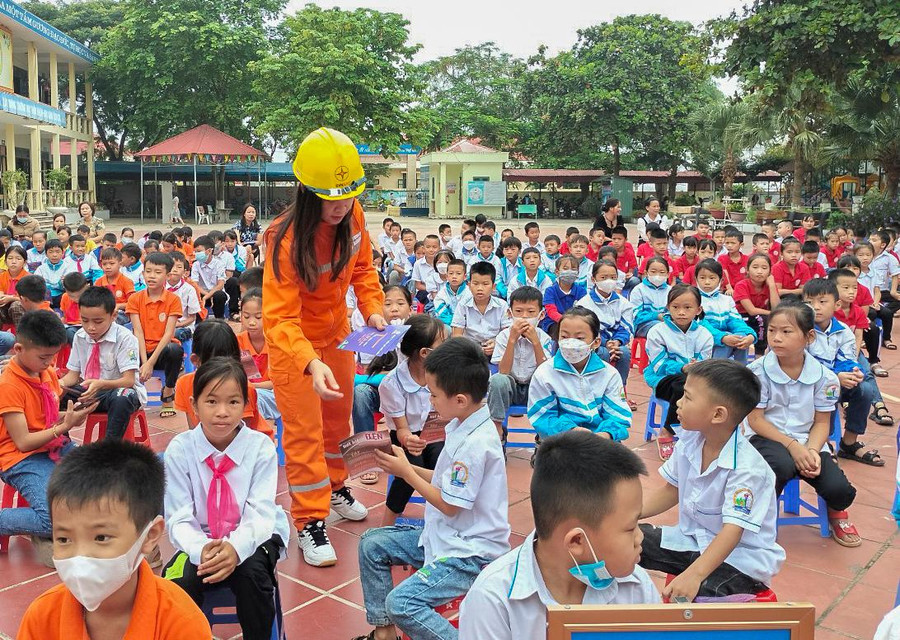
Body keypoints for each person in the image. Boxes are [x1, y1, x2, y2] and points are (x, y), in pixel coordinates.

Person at [263, 128, 383, 567]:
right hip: (296, 347)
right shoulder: (285, 239)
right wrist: (309, 362)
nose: (340, 207)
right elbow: (278, 318)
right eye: (331, 199)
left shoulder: (354, 217)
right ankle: (309, 519)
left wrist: (372, 311)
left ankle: (336, 488)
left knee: (337, 423)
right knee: (304, 433)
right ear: (307, 192)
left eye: (348, 196)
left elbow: (364, 271)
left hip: (339, 337)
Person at [353, 338, 510, 640]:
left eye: (434, 394)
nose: (430, 400)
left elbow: (450, 504)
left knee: (402, 604)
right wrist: (405, 467)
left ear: (460, 399)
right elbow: (443, 479)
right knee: (372, 543)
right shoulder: (463, 424)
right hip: (443, 536)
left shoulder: (475, 444)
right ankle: (385, 634)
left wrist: (406, 474)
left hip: (469, 554)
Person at [460, 431, 658, 639]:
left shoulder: (636, 587)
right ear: (576, 541)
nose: (640, 537)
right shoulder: (494, 600)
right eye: (630, 528)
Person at [17, 440, 212, 640]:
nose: (80, 556)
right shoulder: (42, 618)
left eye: (101, 537)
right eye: (64, 539)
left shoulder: (181, 622)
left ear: (150, 535)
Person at [162, 357, 289, 640]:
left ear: (245, 405)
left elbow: (260, 515)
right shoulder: (180, 450)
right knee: (176, 582)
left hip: (255, 536)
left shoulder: (260, 448)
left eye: (233, 402)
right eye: (211, 402)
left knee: (253, 578)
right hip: (199, 539)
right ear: (194, 405)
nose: (222, 412)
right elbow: (179, 516)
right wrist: (201, 550)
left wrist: (235, 549)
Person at [639, 359, 785, 601]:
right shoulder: (689, 440)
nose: (678, 402)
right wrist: (628, 516)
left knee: (701, 594)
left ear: (717, 414)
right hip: (693, 542)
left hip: (739, 560)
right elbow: (671, 490)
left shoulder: (748, 469)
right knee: (624, 540)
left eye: (687, 397)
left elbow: (732, 532)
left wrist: (694, 575)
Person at [747, 301, 861, 547]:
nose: (776, 338)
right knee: (780, 466)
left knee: (839, 490)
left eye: (786, 332)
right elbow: (755, 420)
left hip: (808, 440)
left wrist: (810, 450)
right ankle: (756, 521)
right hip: (766, 437)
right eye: (772, 331)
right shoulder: (757, 372)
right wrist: (792, 447)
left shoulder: (826, 377)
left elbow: (822, 422)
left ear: (809, 337)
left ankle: (836, 513)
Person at [0, 311, 94, 563]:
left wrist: (71, 416)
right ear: (18, 348)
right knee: (54, 522)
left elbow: (48, 415)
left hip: (53, 445)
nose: (50, 362)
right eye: (44, 357)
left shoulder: (45, 371)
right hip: (20, 458)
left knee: (104, 486)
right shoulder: (10, 385)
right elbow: (22, 442)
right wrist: (64, 427)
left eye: (53, 355)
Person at [802, 278, 882, 468]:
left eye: (822, 302)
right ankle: (823, 443)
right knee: (828, 390)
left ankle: (849, 442)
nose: (815, 307)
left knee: (864, 389)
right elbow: (801, 362)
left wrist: (853, 372)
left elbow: (847, 358)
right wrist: (834, 376)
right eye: (809, 302)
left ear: (836, 304)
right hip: (807, 385)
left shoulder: (843, 330)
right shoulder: (801, 329)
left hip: (836, 380)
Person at [377, 315, 447, 525]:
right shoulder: (392, 384)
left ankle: (443, 518)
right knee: (407, 467)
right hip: (406, 436)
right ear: (425, 353)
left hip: (436, 432)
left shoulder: (443, 373)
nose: (447, 348)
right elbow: (401, 429)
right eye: (442, 344)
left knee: (443, 462)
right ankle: (388, 521)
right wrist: (409, 440)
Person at [527, 307, 631, 444]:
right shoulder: (545, 373)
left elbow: (618, 416)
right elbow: (542, 416)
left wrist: (604, 435)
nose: (571, 343)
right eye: (564, 336)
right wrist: (571, 431)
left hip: (600, 441)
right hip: (560, 440)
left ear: (596, 342)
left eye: (580, 338)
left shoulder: (609, 374)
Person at [59, 286, 145, 440]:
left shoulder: (125, 338)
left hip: (117, 391)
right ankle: (63, 444)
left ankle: (108, 450)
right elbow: (72, 376)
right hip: (89, 391)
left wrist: (100, 384)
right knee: (56, 395)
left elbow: (129, 380)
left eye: (98, 321)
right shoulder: (80, 336)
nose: (90, 327)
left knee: (123, 397)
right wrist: (56, 385)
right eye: (85, 320)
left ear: (113, 315)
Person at [644, 284, 714, 460]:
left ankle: (699, 432)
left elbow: (705, 363)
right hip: (662, 380)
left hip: (695, 380)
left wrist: (696, 367)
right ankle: (667, 430)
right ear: (668, 307)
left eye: (687, 307)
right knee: (682, 385)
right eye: (675, 307)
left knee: (714, 388)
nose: (681, 312)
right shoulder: (657, 332)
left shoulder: (704, 335)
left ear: (698, 310)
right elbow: (658, 364)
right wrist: (682, 368)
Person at [487, 287, 553, 441]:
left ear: (541, 314)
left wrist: (535, 342)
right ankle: (497, 429)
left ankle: (544, 436)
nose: (524, 317)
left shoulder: (544, 338)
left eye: (531, 312)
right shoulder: (503, 336)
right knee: (497, 380)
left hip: (534, 389)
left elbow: (546, 371)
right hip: (511, 388)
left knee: (552, 383)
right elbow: (503, 371)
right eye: (518, 311)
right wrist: (512, 340)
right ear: (510, 313)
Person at [126, 252, 184, 419]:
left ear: (167, 275)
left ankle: (167, 392)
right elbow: (138, 332)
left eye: (158, 272)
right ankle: (129, 397)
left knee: (175, 350)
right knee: (122, 353)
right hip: (140, 349)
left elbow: (168, 334)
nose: (152, 276)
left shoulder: (173, 300)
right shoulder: (135, 299)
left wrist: (150, 363)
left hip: (161, 351)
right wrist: (144, 362)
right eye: (148, 271)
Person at [575, 260, 635, 388]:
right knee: (603, 353)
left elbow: (626, 327)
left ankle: (620, 389)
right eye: (603, 277)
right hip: (593, 343)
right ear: (593, 278)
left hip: (616, 341)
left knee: (624, 352)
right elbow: (586, 329)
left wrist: (617, 342)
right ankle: (598, 388)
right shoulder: (584, 303)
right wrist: (605, 343)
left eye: (613, 277)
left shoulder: (623, 303)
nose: (609, 281)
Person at [695, 259, 756, 362]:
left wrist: (749, 335)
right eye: (702, 278)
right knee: (724, 344)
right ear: (696, 279)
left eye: (712, 278)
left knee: (741, 339)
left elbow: (735, 321)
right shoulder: (694, 299)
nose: (707, 282)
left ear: (721, 281)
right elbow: (701, 325)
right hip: (705, 340)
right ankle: (715, 372)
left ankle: (741, 371)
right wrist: (723, 337)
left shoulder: (726, 300)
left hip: (725, 336)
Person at [451, 261, 510, 357]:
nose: (480, 288)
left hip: (497, 348)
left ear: (493, 286)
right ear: (469, 285)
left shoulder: (502, 305)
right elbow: (457, 335)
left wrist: (496, 343)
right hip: (470, 350)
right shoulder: (463, 305)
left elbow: (507, 333)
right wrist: (474, 348)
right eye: (475, 283)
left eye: (485, 284)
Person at [733, 253, 780, 354]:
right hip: (742, 317)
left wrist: (772, 285)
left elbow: (777, 308)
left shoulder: (770, 286)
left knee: (764, 319)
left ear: (770, 272)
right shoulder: (741, 285)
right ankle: (757, 352)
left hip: (761, 317)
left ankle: (760, 353)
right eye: (755, 267)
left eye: (764, 268)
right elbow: (751, 310)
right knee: (763, 319)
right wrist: (771, 313)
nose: (759, 271)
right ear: (748, 270)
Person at [631, 257, 671, 337]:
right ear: (646, 273)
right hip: (643, 325)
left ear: (668, 274)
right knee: (660, 328)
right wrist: (656, 316)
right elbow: (635, 315)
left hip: (667, 323)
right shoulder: (639, 290)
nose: (657, 275)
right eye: (653, 272)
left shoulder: (671, 291)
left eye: (662, 272)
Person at [191, 235, 228, 319]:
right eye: (195, 252)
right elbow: (195, 284)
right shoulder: (196, 265)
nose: (196, 254)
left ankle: (219, 319)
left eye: (199, 251)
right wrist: (206, 295)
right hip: (202, 293)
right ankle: (198, 320)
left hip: (215, 293)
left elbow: (220, 285)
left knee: (219, 295)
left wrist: (209, 296)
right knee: (193, 293)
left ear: (209, 251)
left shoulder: (219, 264)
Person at [0, 245, 28, 328]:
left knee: (16, 305)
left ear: (25, 262)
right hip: (5, 309)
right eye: (10, 258)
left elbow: (30, 299)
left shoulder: (29, 278)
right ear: (5, 262)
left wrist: (11, 298)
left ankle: (22, 337)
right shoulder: (1, 276)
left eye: (18, 259)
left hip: (24, 310)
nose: (14, 262)